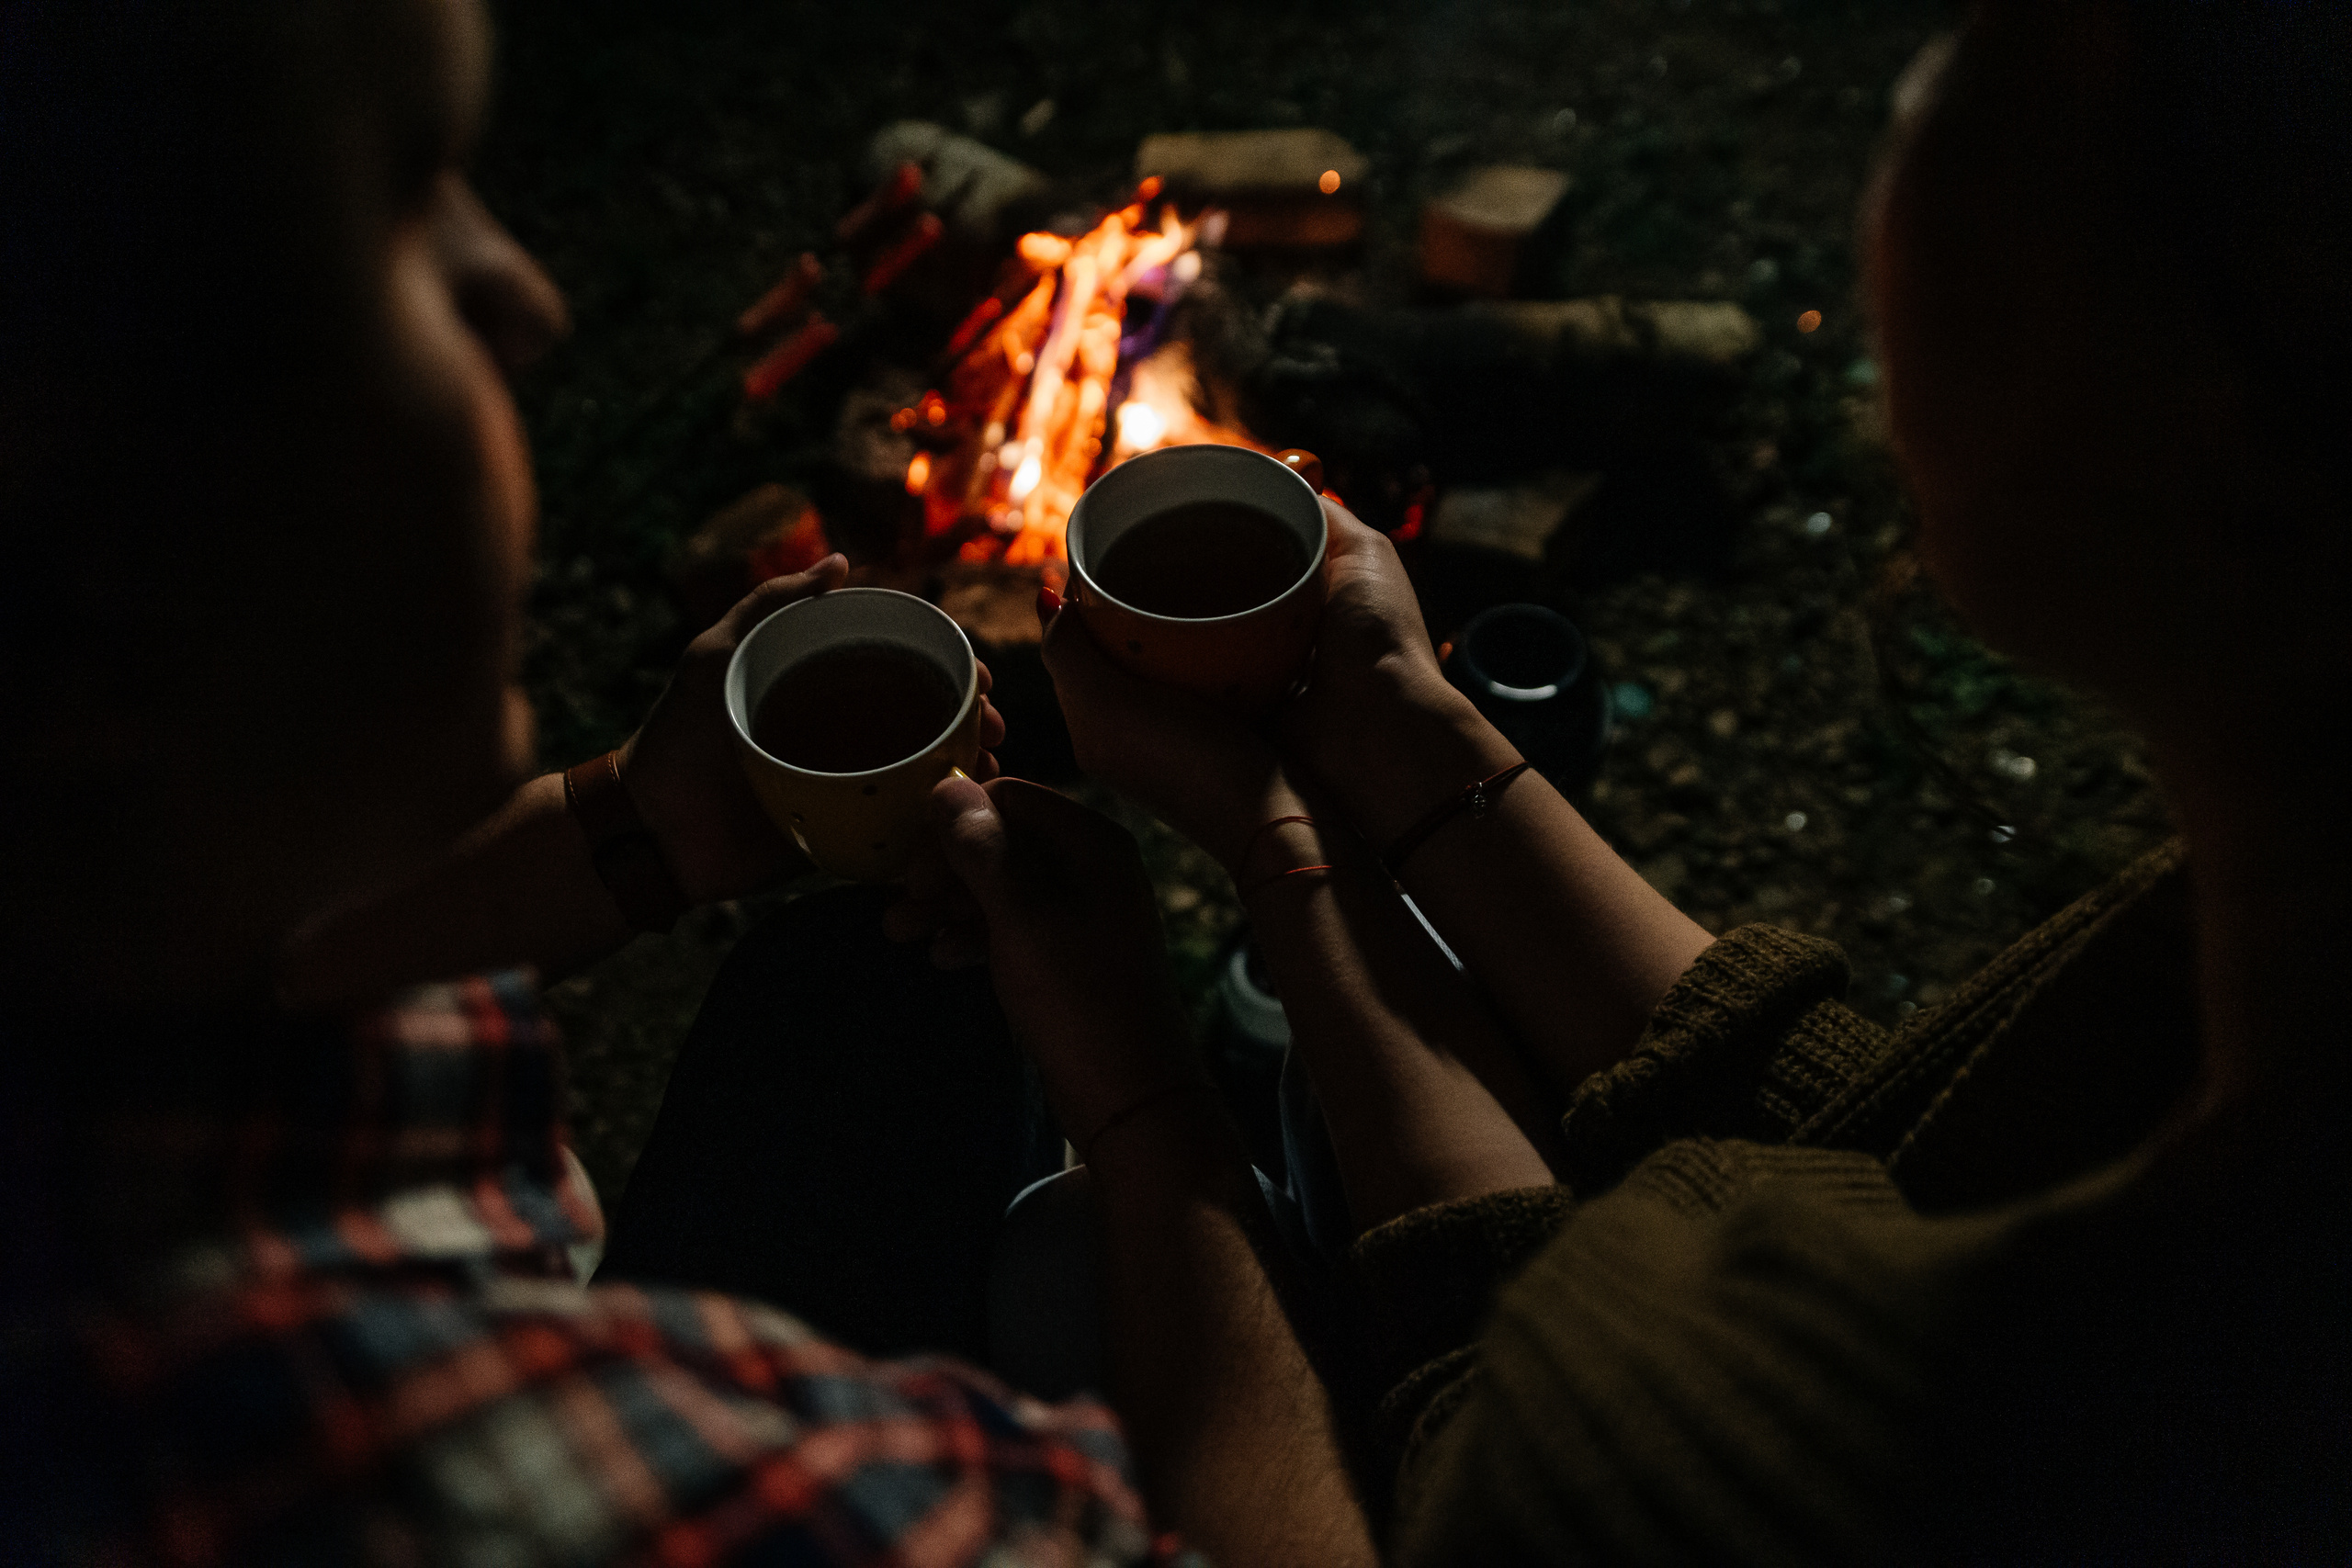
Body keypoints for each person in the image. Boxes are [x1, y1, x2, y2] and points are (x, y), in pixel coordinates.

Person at [902, 0, 2350, 1559]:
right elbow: (1867, 1143)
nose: (1912, 80)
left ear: (2201, 388)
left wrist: (1141, 1082)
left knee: (1057, 1261)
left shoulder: (1767, 1458)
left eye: (1996, 47)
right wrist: (1395, 729)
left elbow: (1497, 1399)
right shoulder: (2257, 932)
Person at [1, 3, 1289, 1563]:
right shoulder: (646, 1504)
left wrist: (638, 833)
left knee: (870, 979)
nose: (527, 297)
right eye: (402, 208)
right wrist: (1161, 1109)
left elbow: (285, 971)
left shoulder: (120, 940)